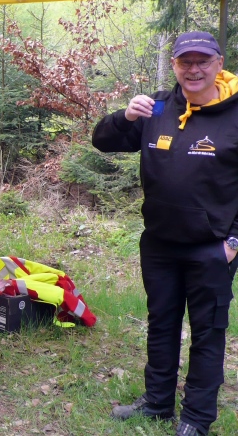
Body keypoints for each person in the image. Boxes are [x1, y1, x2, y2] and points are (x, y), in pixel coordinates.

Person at [92, 31, 238, 436]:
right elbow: (102, 141)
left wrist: (233, 241)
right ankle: (157, 403)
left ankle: (197, 417)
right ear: (174, 65)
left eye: (202, 61)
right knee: (161, 323)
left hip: (212, 247)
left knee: (207, 333)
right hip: (159, 243)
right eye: (184, 62)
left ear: (218, 63)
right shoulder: (156, 106)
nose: (193, 69)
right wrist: (125, 117)